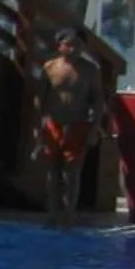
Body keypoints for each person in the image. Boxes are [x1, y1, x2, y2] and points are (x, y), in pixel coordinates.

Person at [27, 29, 108, 228]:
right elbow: (40, 99)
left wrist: (94, 128)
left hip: (78, 124)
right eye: (69, 44)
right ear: (60, 46)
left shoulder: (90, 70)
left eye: (78, 45)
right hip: (54, 124)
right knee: (52, 170)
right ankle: (52, 213)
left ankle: (69, 214)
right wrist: (38, 128)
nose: (74, 49)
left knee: (71, 172)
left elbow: (98, 101)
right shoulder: (50, 67)